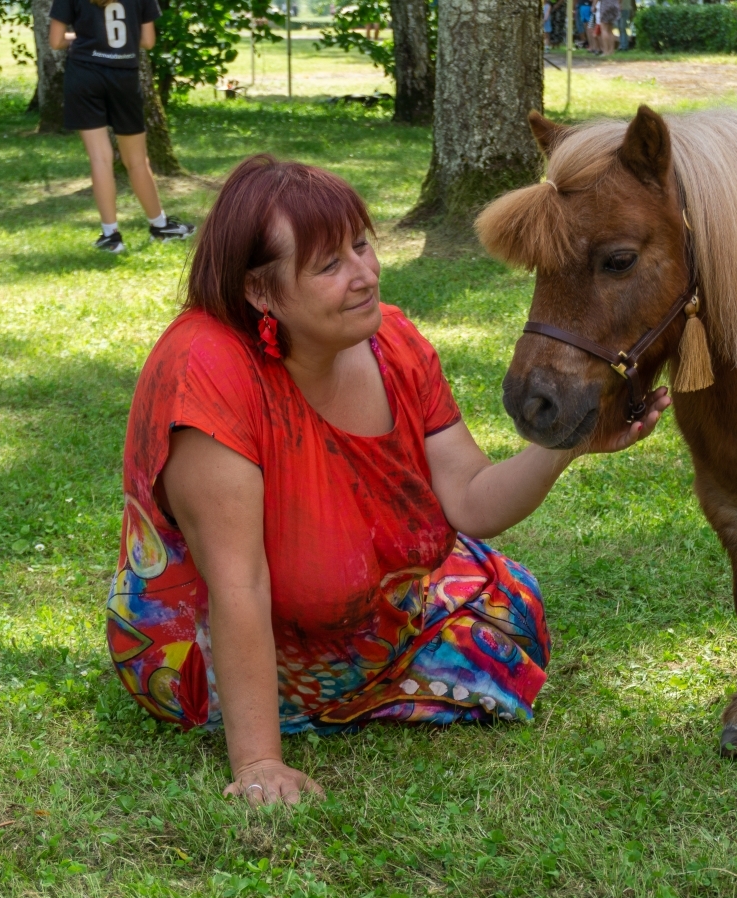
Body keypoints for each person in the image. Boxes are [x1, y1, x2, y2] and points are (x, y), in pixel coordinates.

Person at [107, 155, 671, 806]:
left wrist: (563, 445)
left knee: (513, 614)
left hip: (365, 608)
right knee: (485, 642)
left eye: (362, 245)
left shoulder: (392, 341)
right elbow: (239, 582)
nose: (364, 274)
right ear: (261, 293)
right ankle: (307, 698)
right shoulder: (206, 376)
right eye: (329, 265)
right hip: (220, 632)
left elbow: (468, 497)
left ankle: (365, 662)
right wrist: (259, 760)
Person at [48, 0, 194, 253]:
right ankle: (159, 226)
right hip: (124, 77)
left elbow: (56, 41)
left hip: (84, 75)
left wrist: (85, 38)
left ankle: (111, 236)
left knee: (100, 158)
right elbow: (148, 41)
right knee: (137, 160)